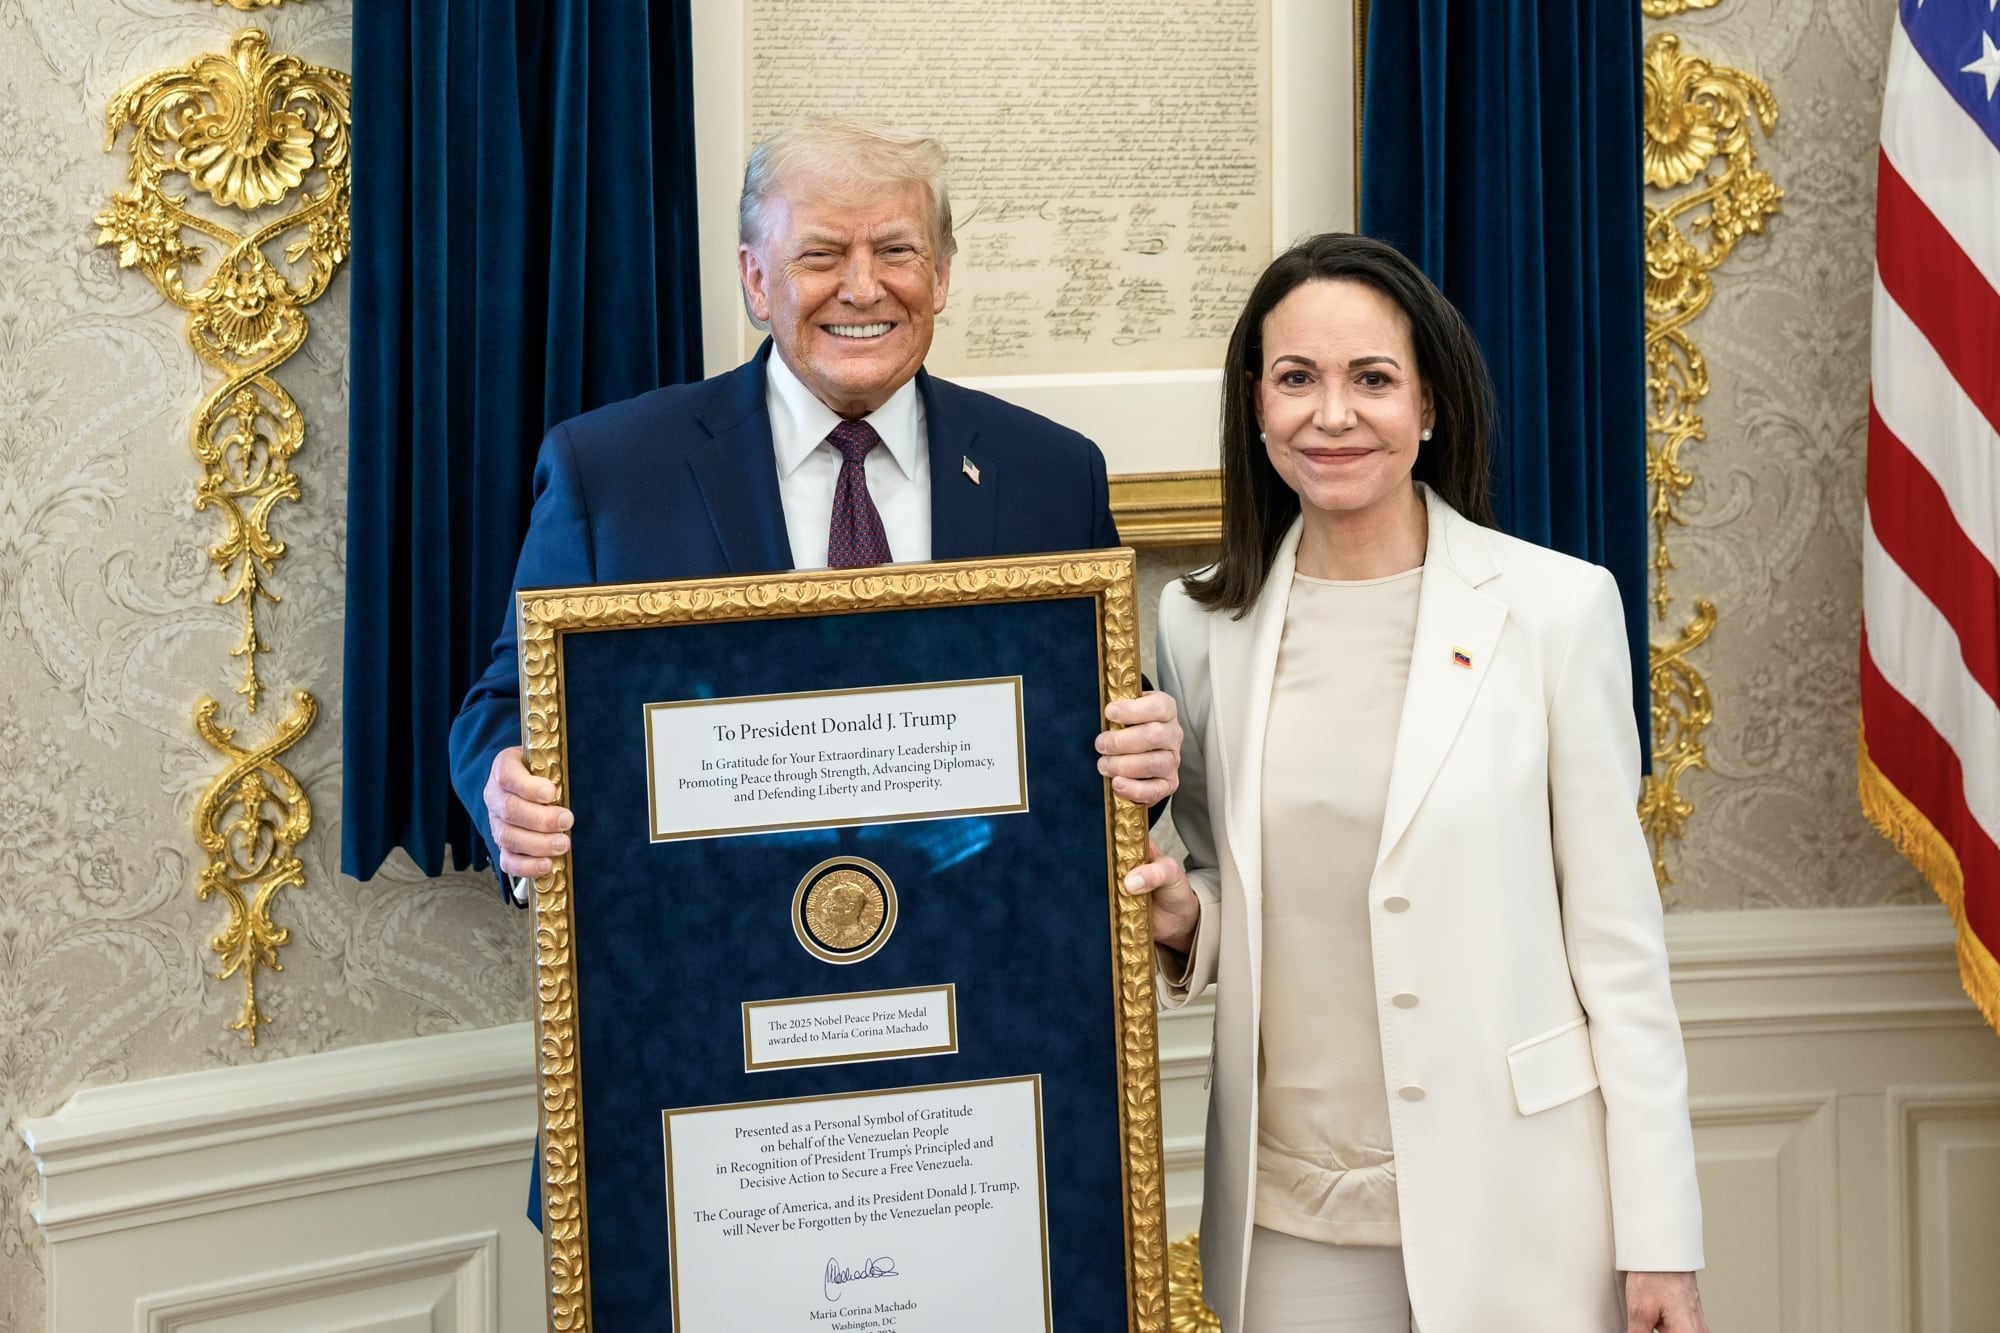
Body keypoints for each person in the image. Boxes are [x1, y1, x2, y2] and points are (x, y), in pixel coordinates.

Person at [1122, 234, 1707, 1333]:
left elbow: (1618, 951)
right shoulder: (1197, 627)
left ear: (1428, 405)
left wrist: (1659, 1241)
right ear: (1254, 405)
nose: (1329, 415)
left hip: (1522, 1201)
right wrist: (1181, 914)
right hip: (1288, 1214)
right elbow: (1218, 874)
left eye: (1370, 380)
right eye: (1295, 379)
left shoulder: (1553, 611)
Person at [448, 119, 1181, 895]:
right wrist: (507, 788)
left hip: (980, 944)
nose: (863, 288)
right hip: (706, 949)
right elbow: (507, 705)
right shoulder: (611, 472)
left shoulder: (1052, 473)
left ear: (940, 276)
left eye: (896, 252)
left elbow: (1098, 718)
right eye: (822, 255)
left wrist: (1146, 755)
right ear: (757, 280)